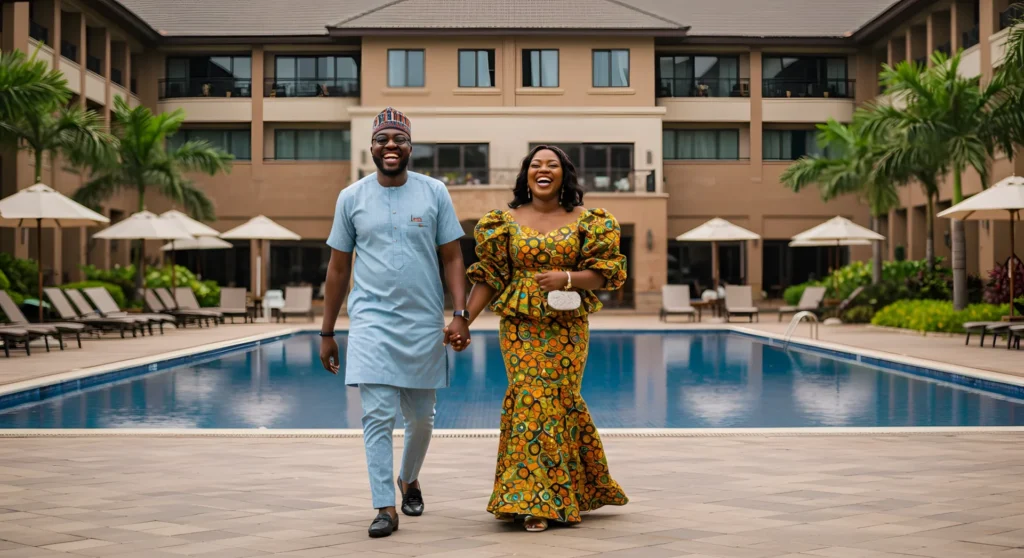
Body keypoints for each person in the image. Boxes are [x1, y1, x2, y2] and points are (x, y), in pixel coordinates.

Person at [451, 144, 629, 533]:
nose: (543, 169)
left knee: (558, 400)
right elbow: (491, 276)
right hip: (519, 325)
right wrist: (464, 319)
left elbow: (605, 273)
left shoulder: (591, 220)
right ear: (526, 174)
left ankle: (548, 495)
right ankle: (534, 498)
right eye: (535, 164)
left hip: (568, 327)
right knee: (531, 398)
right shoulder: (503, 221)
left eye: (552, 164)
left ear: (564, 174)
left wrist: (567, 278)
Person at [319, 107, 471, 539]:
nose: (391, 145)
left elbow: (453, 257)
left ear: (409, 147)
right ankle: (385, 505)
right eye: (383, 138)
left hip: (423, 323)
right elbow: (337, 269)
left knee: (422, 419)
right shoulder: (351, 197)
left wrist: (459, 314)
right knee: (378, 416)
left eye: (399, 139)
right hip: (370, 323)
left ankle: (409, 478)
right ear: (371, 146)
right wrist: (327, 331)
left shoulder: (434, 192)